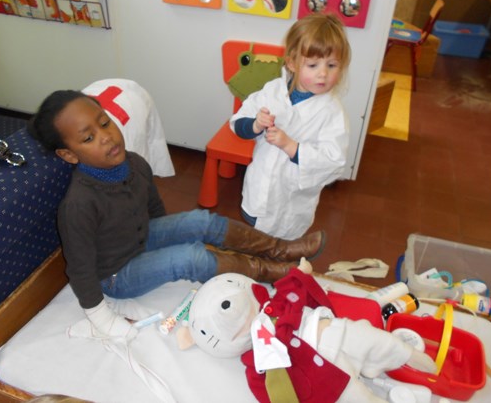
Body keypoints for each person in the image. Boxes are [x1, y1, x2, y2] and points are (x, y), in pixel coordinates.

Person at [27, 90, 327, 340]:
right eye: (88, 138)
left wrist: (170, 236)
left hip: (142, 236)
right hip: (116, 275)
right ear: (69, 154)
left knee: (201, 221)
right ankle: (273, 272)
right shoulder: (78, 204)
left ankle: (282, 249)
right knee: (190, 258)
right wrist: (101, 318)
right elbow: (80, 270)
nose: (106, 137)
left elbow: (154, 209)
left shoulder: (134, 163)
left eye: (105, 123)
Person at [230, 13, 351, 240]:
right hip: (258, 190)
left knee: (281, 245)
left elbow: (334, 161)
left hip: (290, 204)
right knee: (253, 238)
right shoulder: (272, 90)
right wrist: (255, 124)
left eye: (332, 65)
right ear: (292, 63)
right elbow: (238, 122)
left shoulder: (332, 112)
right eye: (313, 65)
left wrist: (291, 146)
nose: (323, 73)